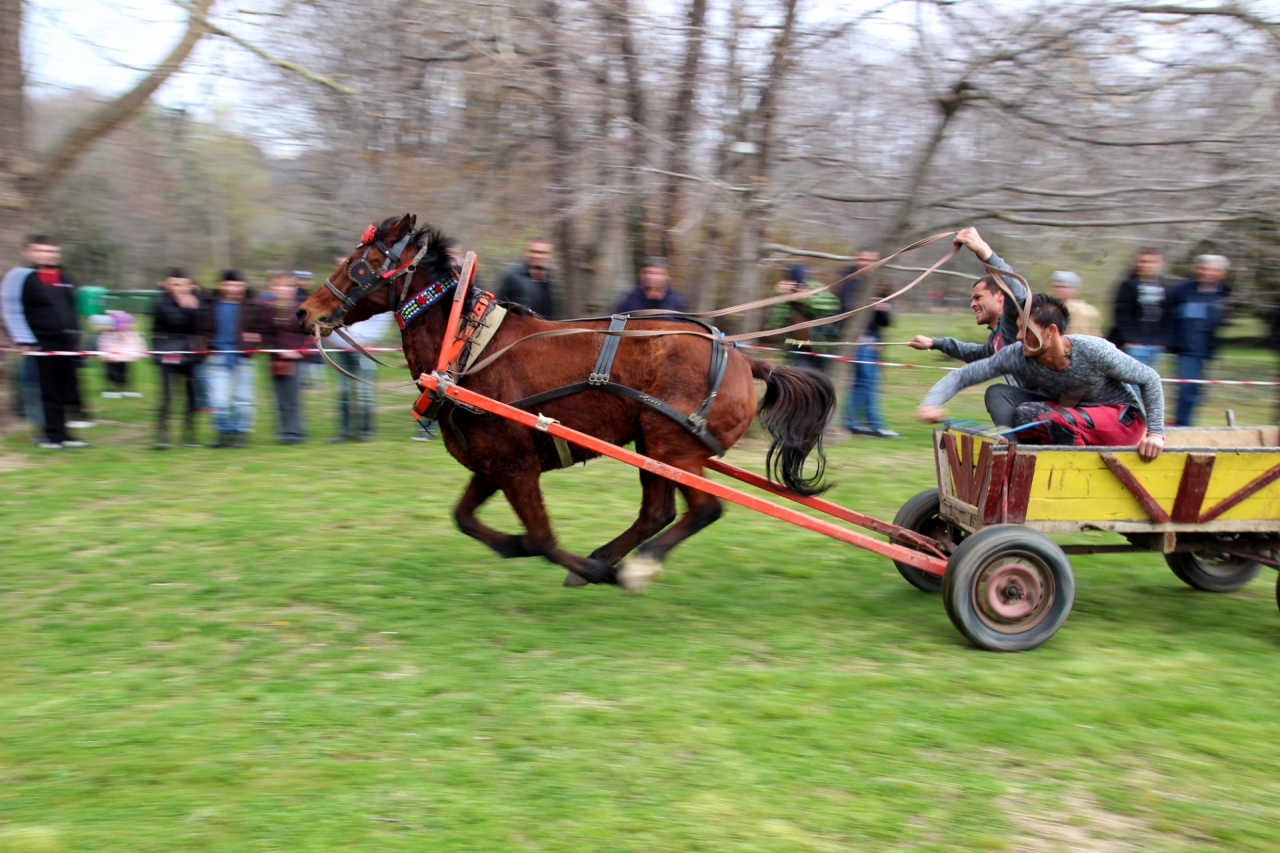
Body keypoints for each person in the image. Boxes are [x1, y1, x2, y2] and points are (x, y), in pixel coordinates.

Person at [917, 293, 1166, 460]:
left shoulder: (1094, 351)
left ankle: (1069, 476)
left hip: (1121, 420)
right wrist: (931, 403)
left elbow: (1150, 379)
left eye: (1027, 331)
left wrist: (1155, 433)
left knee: (1060, 419)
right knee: (1002, 395)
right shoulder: (1018, 354)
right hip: (1071, 417)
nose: (1017, 337)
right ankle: (1016, 458)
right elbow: (964, 375)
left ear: (1051, 331)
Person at [907, 227, 1029, 420]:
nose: (972, 304)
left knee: (997, 392)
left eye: (978, 297)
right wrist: (934, 343)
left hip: (1050, 407)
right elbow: (973, 356)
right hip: (1029, 408)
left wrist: (984, 251)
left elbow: (1018, 295)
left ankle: (1012, 448)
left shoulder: (1016, 323)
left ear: (999, 297)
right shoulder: (996, 340)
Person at [19, 236, 88, 448]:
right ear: (30, 252)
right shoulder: (26, 278)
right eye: (43, 251)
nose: (49, 255)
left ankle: (63, 435)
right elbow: (14, 311)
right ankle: (50, 436)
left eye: (53, 252)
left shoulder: (63, 277)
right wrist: (23, 339)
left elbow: (71, 308)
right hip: (43, 344)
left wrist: (76, 339)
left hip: (67, 343)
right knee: (47, 391)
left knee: (65, 390)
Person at [199, 270, 270, 447]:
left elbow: (265, 330)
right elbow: (202, 330)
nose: (233, 288)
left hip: (242, 358)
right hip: (217, 357)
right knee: (218, 399)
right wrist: (204, 346)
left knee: (243, 398)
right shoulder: (211, 306)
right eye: (229, 284)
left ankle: (241, 433)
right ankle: (223, 433)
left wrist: (254, 340)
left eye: (237, 285)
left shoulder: (253, 307)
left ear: (243, 286)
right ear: (221, 286)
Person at [1166, 254, 1231, 427]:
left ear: (1222, 273)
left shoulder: (1221, 293)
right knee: (1186, 389)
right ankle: (1182, 425)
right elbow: (1168, 317)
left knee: (1196, 392)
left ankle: (1187, 423)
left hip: (1205, 350)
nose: (1205, 272)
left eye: (1212, 269)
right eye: (1203, 268)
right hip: (1185, 349)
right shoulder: (1181, 291)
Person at [151, 269, 204, 448]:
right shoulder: (162, 303)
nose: (179, 288)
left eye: (183, 284)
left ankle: (189, 434)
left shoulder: (199, 301)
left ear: (190, 285)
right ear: (167, 285)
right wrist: (190, 308)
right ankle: (162, 434)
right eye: (174, 284)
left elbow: (203, 322)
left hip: (190, 353)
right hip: (168, 352)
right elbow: (177, 321)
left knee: (190, 396)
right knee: (167, 395)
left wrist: (194, 308)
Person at [843, 282, 898, 437]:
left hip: (873, 342)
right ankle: (866, 424)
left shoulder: (879, 287)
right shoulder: (853, 285)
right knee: (866, 383)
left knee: (868, 383)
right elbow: (846, 309)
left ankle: (861, 423)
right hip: (861, 342)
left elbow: (885, 322)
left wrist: (883, 308)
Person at [2, 237, 44, 434]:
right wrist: (23, 338)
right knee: (27, 376)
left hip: (38, 335)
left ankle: (29, 413)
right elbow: (11, 308)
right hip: (25, 337)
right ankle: (26, 412)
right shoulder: (18, 275)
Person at [330, 311, 393, 443]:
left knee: (365, 391)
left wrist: (372, 339)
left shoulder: (371, 292)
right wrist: (333, 338)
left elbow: (383, 316)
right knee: (344, 390)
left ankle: (365, 431)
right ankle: (345, 432)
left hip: (365, 348)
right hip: (343, 347)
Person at [767, 263, 841, 374]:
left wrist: (806, 298)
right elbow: (774, 323)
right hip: (799, 350)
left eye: (798, 284)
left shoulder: (816, 289)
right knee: (801, 380)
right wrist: (781, 297)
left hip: (823, 347)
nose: (795, 288)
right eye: (793, 285)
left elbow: (832, 305)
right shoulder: (784, 297)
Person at [265, 272, 309, 444]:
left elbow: (311, 334)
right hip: (276, 359)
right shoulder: (269, 309)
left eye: (288, 286)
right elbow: (266, 335)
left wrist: (301, 352)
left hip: (295, 359)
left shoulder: (302, 309)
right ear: (273, 288)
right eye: (280, 286)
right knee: (280, 398)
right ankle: (283, 432)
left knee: (293, 398)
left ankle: (296, 432)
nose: (284, 289)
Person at [1110, 249, 1169, 370]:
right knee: (1133, 385)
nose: (1145, 265)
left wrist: (1164, 341)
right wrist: (1130, 339)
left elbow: (1168, 316)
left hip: (1156, 345)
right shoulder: (1128, 286)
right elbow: (1121, 315)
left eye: (1151, 262)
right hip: (1134, 345)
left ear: (1161, 264)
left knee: (1149, 384)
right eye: (1142, 261)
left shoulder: (1165, 287)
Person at [498, 237, 556, 318]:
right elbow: (499, 307)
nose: (537, 256)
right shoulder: (513, 276)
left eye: (541, 253)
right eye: (533, 251)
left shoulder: (550, 280)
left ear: (548, 256)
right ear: (527, 252)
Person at [96, 310, 145, 398]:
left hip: (122, 356)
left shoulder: (128, 333)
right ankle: (114, 386)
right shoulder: (106, 333)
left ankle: (122, 385)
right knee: (111, 373)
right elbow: (102, 342)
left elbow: (136, 341)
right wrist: (102, 354)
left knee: (122, 372)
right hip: (110, 356)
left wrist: (141, 352)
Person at [614, 257, 689, 313]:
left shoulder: (677, 301)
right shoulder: (629, 298)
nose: (650, 277)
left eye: (657, 273)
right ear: (641, 275)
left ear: (668, 276)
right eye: (648, 272)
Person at [1049, 271, 1102, 337]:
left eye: (1064, 287)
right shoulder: (1050, 310)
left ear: (1075, 289)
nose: (1060, 290)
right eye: (1056, 287)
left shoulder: (1085, 310)